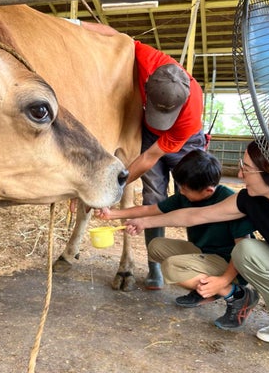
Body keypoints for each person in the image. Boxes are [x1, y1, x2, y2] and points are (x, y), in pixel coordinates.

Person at [124, 139, 269, 343]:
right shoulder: (250, 200)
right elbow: (195, 215)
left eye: (246, 169)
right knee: (246, 250)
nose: (239, 174)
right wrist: (145, 222)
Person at [79, 20, 206, 291]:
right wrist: (73, 23)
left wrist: (114, 189)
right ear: (148, 84)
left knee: (192, 197)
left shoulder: (190, 112)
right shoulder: (149, 60)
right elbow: (115, 35)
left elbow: (150, 158)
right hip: (149, 134)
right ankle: (154, 266)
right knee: (154, 196)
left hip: (184, 142)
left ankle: (201, 263)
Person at [95, 150, 256, 322]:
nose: (182, 192)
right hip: (205, 253)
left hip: (232, 264)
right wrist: (112, 214)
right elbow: (151, 209)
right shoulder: (186, 196)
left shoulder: (230, 201)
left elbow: (243, 250)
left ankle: (236, 295)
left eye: (185, 189)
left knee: (171, 268)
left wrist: (224, 280)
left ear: (208, 190)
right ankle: (204, 291)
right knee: (156, 246)